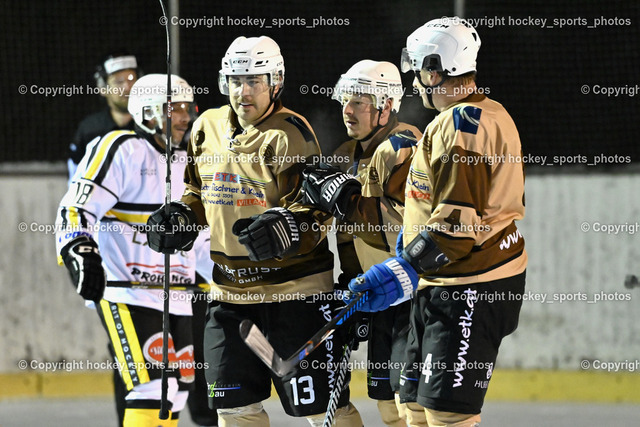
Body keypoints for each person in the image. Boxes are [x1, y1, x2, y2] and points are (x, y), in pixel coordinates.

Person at [145, 35, 362, 426]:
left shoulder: (289, 133)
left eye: (254, 81)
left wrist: (289, 229)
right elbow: (197, 191)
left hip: (294, 296)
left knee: (320, 409)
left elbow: (317, 213)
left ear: (275, 82)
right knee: (234, 409)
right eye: (235, 80)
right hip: (229, 297)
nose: (242, 91)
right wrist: (182, 217)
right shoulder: (206, 127)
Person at [346, 17, 527, 426]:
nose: (416, 81)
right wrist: (408, 257)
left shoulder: (460, 127)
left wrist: (399, 269)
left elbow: (455, 227)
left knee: (446, 416)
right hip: (441, 283)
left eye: (419, 71)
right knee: (411, 406)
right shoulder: (486, 112)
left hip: (470, 287)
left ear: (435, 70)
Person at [56, 73, 204, 426]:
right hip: (127, 289)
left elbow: (203, 237)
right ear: (148, 111)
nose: (185, 117)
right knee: (153, 389)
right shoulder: (121, 148)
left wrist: (231, 280)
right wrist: (78, 249)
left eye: (188, 108)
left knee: (176, 392)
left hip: (178, 293)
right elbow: (76, 207)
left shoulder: (192, 160)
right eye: (175, 108)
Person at [299, 60, 426, 426]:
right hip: (372, 291)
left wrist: (345, 201)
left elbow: (404, 228)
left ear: (386, 105)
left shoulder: (404, 148)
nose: (347, 110)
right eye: (345, 101)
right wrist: (288, 222)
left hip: (407, 293)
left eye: (358, 102)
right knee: (388, 403)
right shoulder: (344, 155)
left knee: (409, 405)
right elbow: (324, 222)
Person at [68, 52, 140, 179]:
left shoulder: (152, 126)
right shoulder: (89, 129)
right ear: (103, 88)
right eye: (119, 82)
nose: (127, 87)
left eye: (131, 79)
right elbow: (76, 176)